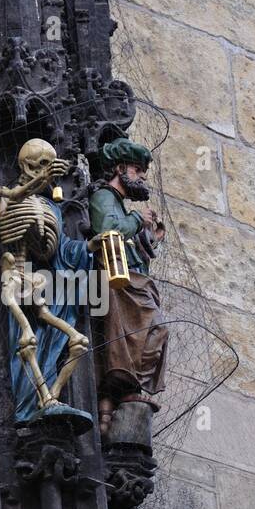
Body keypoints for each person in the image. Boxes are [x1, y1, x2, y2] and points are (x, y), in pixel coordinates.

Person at [89, 139, 168, 436]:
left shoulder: (119, 205)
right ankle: (122, 385)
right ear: (120, 169)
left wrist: (150, 237)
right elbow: (107, 231)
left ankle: (128, 386)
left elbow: (131, 248)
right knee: (154, 329)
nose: (142, 178)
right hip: (118, 284)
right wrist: (137, 219)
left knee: (156, 331)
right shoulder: (104, 198)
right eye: (137, 171)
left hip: (134, 283)